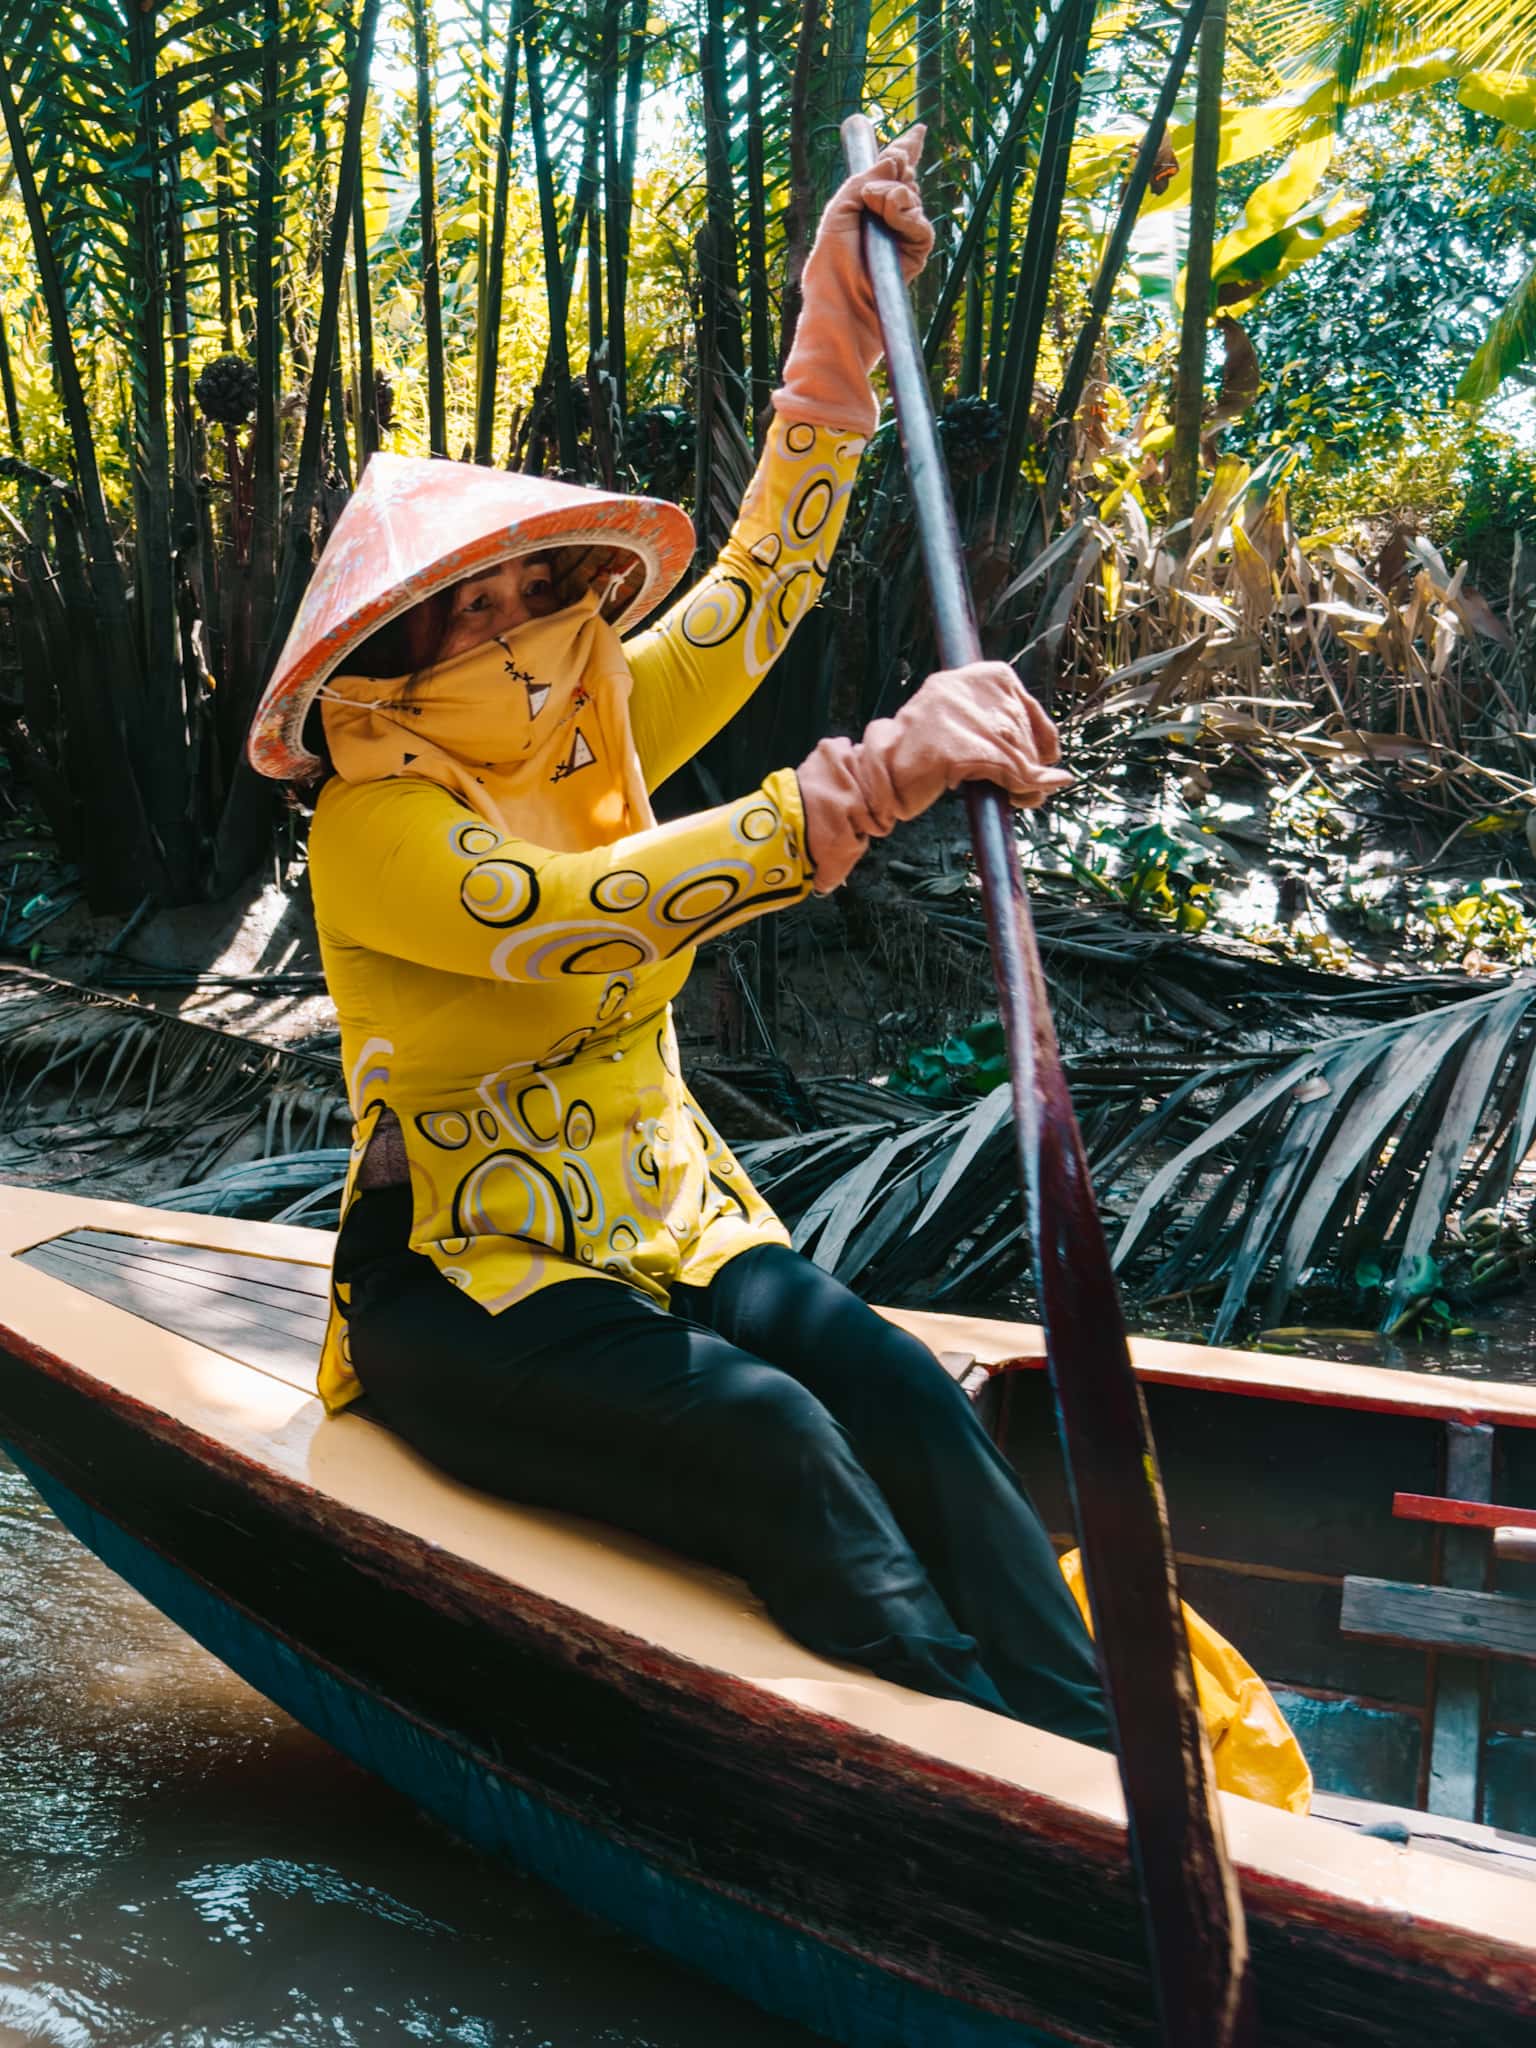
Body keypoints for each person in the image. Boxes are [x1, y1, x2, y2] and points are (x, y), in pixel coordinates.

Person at [247, 132, 1310, 1808]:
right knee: (770, 1435)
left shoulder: (591, 714)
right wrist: (864, 781)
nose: (530, 630)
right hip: (464, 1285)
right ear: (391, 653)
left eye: (545, 589)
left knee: (888, 1383)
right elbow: (569, 909)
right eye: (478, 610)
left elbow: (753, 597)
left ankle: (1101, 1752)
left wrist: (835, 342)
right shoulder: (372, 822)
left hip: (675, 1215)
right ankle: (992, 1790)